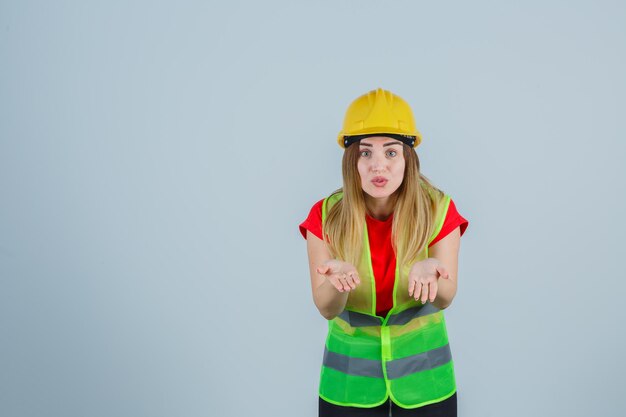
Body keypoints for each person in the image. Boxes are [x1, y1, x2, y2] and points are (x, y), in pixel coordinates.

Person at [298, 88, 469, 417]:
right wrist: (335, 283)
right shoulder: (324, 215)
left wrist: (433, 271)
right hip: (348, 385)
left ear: (408, 158)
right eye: (366, 153)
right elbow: (326, 308)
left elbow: (446, 296)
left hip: (427, 382)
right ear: (351, 160)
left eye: (391, 153)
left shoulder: (438, 209)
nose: (379, 165)